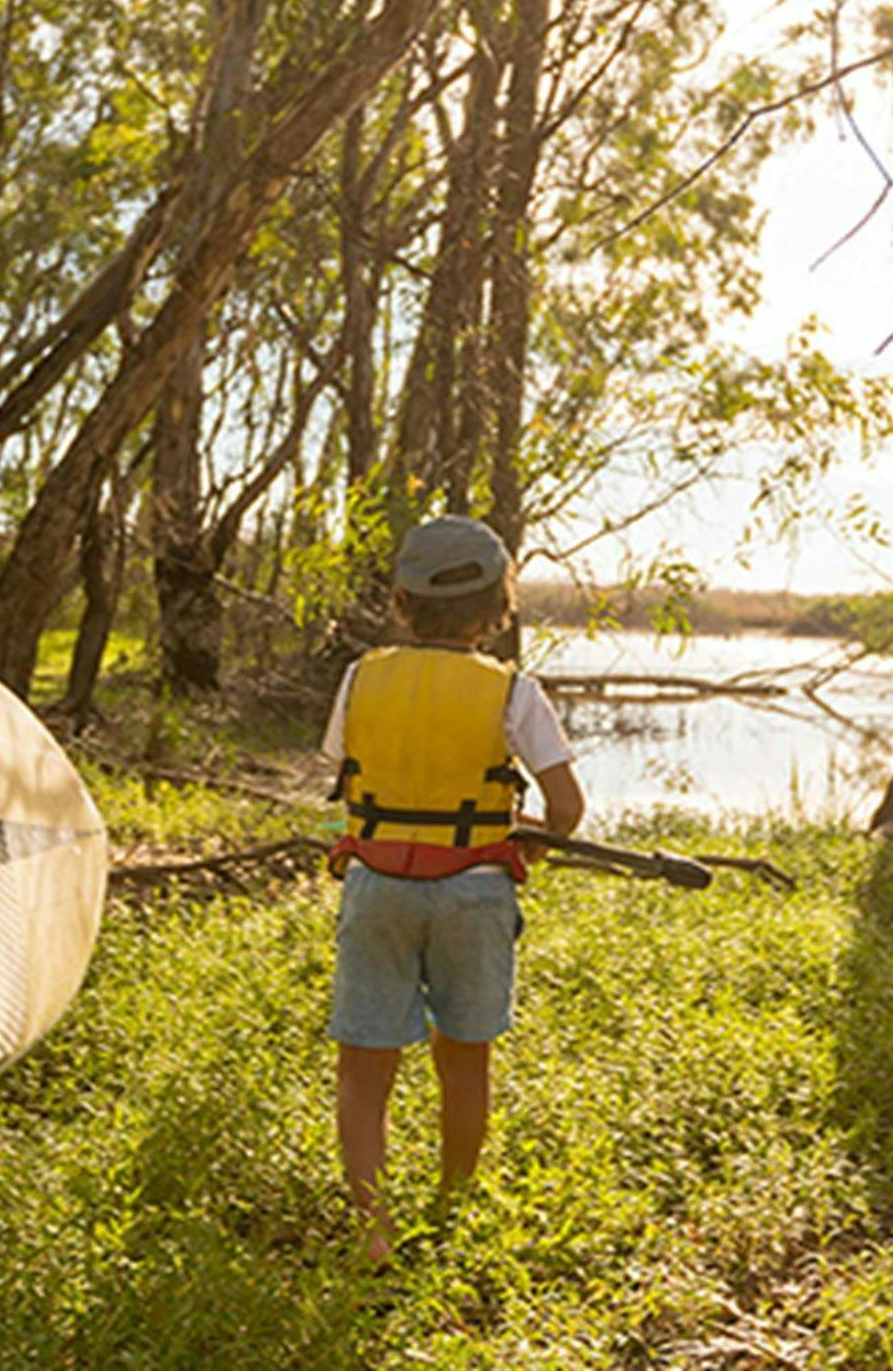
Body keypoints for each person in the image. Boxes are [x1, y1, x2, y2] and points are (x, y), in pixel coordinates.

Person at [321, 514, 585, 1266]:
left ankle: (373, 1229)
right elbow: (567, 813)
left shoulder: (360, 677)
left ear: (403, 602)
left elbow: (345, 766)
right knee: (463, 1057)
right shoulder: (513, 690)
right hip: (474, 893)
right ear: (499, 604)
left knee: (365, 1063)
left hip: (376, 886)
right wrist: (522, 824)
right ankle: (453, 1208)